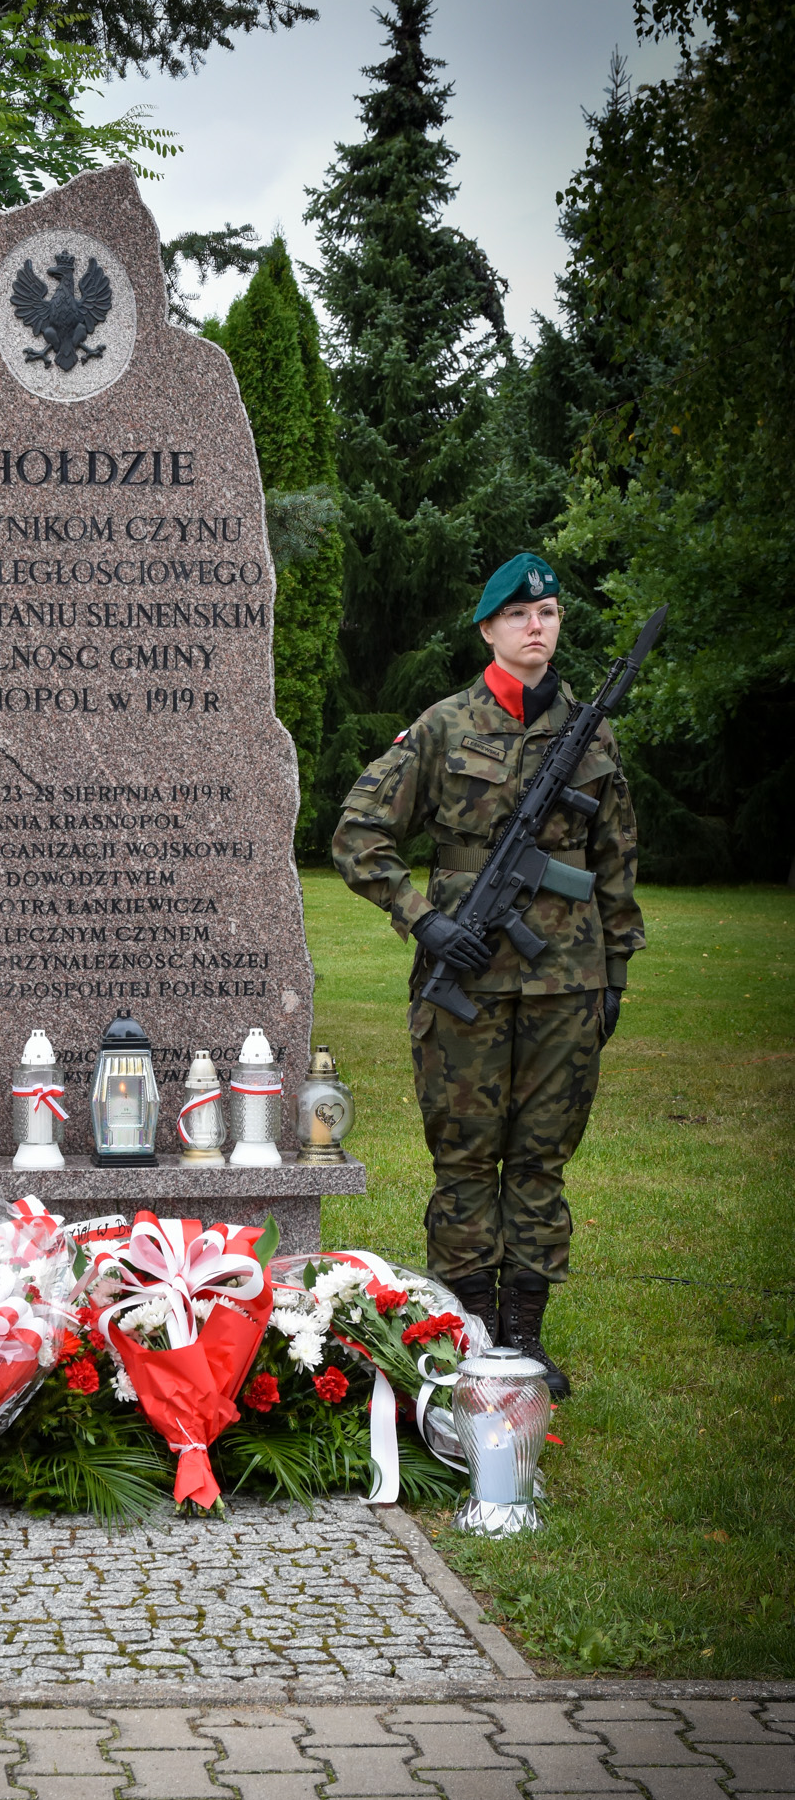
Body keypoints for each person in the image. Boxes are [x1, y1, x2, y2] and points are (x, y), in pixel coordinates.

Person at [331, 552, 645, 1396]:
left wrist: (615, 966)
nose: (535, 627)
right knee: (466, 1158)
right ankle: (471, 1334)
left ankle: (525, 1338)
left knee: (540, 1160)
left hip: (566, 982)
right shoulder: (442, 726)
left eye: (548, 614)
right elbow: (358, 834)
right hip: (463, 983)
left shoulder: (592, 732)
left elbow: (615, 859)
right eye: (518, 616)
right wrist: (423, 918)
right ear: (487, 630)